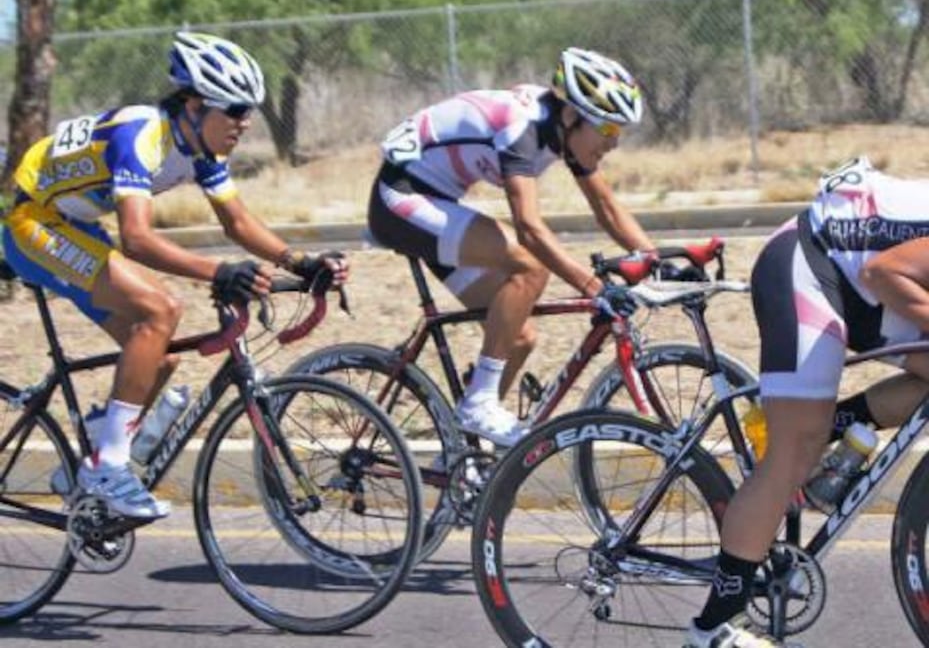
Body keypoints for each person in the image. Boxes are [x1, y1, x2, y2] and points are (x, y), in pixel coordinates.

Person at [1, 32, 348, 519]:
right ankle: (110, 469)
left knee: (155, 359)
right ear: (193, 105)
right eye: (234, 109)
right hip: (32, 221)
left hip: (73, 223)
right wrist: (219, 272)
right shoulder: (141, 136)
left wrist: (299, 262)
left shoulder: (202, 149)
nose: (245, 122)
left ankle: (88, 465)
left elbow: (238, 223)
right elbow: (137, 238)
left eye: (248, 110)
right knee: (161, 310)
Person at [684, 155, 929, 647]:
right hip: (810, 263)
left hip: (859, 282)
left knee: (816, 431)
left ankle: (838, 428)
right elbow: (886, 272)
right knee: (793, 451)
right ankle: (712, 628)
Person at [368, 47, 657, 446]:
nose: (614, 143)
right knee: (530, 266)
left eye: (619, 132)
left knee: (517, 337)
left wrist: (657, 261)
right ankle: (479, 403)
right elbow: (529, 230)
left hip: (436, 202)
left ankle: (463, 457)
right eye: (608, 130)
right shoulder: (521, 128)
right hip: (400, 199)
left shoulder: (562, 132)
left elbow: (606, 208)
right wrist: (595, 289)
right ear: (572, 115)